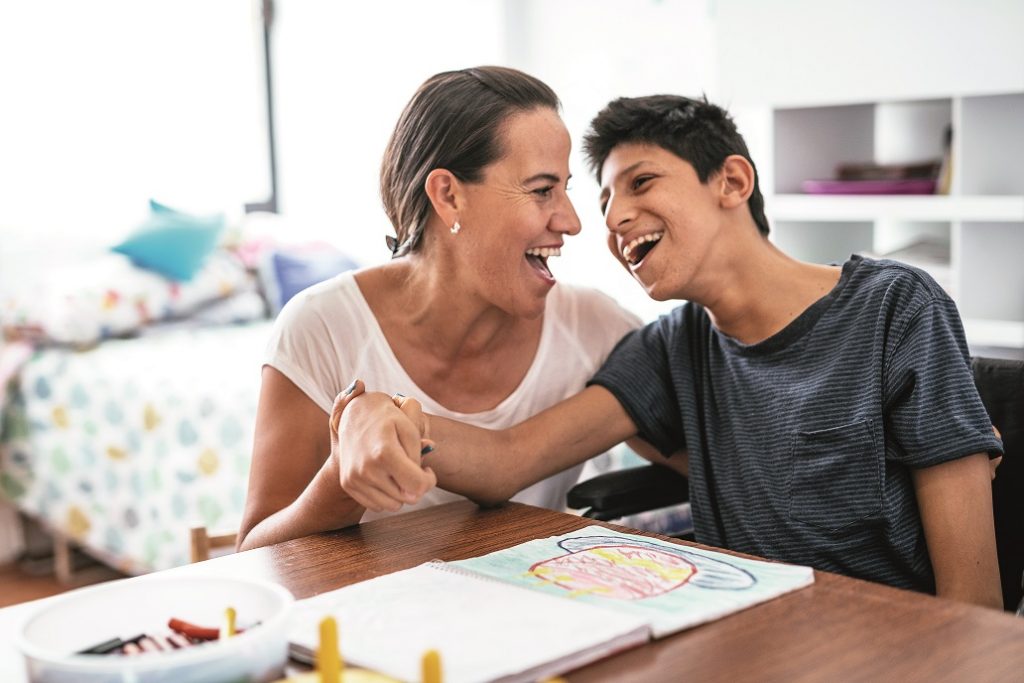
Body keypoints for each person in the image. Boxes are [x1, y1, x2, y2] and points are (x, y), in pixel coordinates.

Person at [334, 95, 1004, 608]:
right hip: (743, 637)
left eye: (641, 183)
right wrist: (386, 417)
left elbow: (973, 605)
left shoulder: (896, 309)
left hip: (887, 646)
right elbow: (508, 458)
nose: (614, 218)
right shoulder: (675, 344)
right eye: (604, 201)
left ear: (733, 182)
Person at [236, 66, 642, 551]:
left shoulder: (594, 326)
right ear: (449, 196)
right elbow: (254, 555)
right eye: (541, 190)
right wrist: (342, 474)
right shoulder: (320, 328)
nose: (572, 221)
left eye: (565, 188)